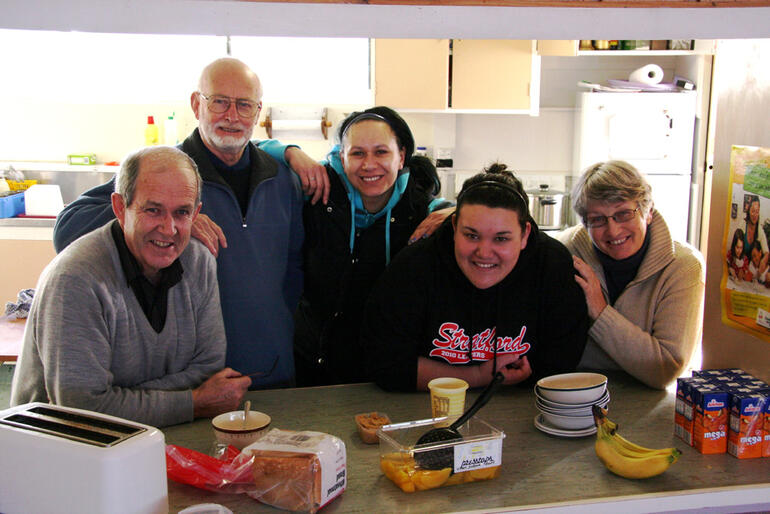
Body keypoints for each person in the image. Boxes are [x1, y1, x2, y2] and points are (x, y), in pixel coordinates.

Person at [52, 57, 327, 388]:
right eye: (220, 102)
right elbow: (68, 227)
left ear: (258, 112)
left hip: (273, 369)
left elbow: (294, 270)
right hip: (189, 379)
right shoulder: (163, 171)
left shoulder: (284, 178)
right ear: (197, 105)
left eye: (244, 105)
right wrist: (166, 216)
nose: (231, 116)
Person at [11, 146, 251, 427]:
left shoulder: (199, 261)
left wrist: (118, 398)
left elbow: (207, 368)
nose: (168, 228)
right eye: (153, 210)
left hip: (158, 437)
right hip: (57, 449)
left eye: (182, 212)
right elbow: (81, 408)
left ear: (196, 212)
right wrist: (193, 401)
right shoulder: (75, 279)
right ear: (119, 208)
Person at [361, 163, 589, 391]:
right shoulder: (414, 267)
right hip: (425, 408)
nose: (484, 253)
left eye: (501, 239)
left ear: (525, 235)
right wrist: (478, 376)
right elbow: (385, 365)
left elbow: (560, 367)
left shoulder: (553, 267)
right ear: (454, 226)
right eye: (471, 235)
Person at [294, 106, 452, 386]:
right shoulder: (318, 196)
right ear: (341, 157)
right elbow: (251, 153)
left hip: (388, 369)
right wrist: (289, 152)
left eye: (381, 152)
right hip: (314, 367)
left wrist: (459, 210)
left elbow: (496, 216)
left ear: (401, 156)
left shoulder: (420, 210)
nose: (369, 165)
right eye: (357, 153)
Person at [557, 160, 705, 390]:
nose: (613, 230)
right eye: (598, 219)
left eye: (624, 214)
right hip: (570, 392)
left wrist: (600, 311)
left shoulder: (684, 268)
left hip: (647, 402)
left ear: (647, 212)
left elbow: (665, 369)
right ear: (585, 222)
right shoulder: (563, 252)